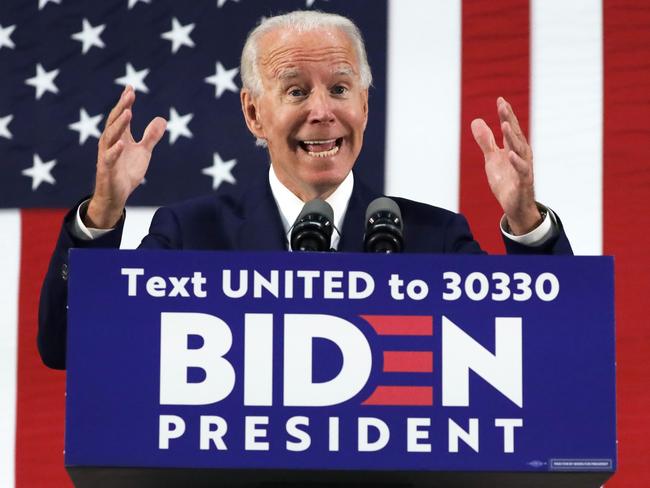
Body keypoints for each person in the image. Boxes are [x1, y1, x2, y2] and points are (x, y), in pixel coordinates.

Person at [38, 10, 572, 370]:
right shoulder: (190, 234)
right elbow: (68, 346)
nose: (322, 112)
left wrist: (526, 224)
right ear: (253, 112)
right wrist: (105, 212)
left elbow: (553, 349)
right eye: (295, 90)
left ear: (363, 105)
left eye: (340, 89)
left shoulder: (434, 237)